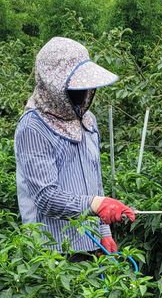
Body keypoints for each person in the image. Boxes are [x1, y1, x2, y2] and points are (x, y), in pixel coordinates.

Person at [14, 36, 136, 256]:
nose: (83, 94)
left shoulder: (88, 121)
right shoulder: (33, 127)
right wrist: (97, 204)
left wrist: (104, 232)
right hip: (52, 252)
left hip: (90, 243)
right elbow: (46, 197)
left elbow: (95, 180)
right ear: (55, 86)